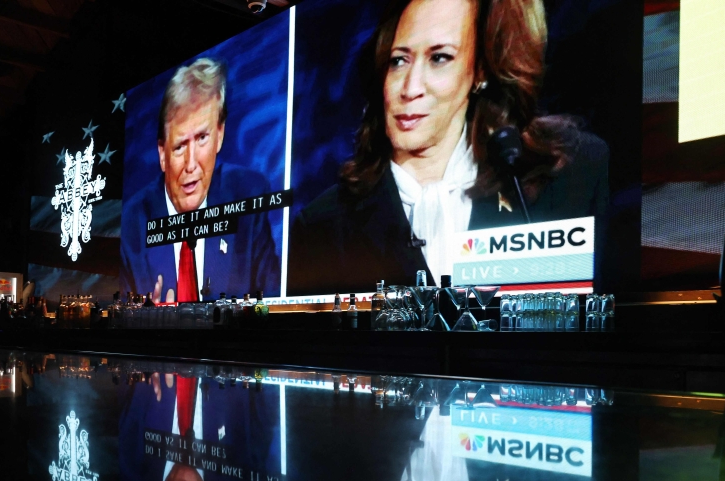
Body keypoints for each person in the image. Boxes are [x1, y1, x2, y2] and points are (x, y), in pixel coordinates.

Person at [289, 0, 609, 295]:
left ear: (480, 71)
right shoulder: (321, 227)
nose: (411, 88)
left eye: (439, 58)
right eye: (399, 61)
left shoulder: (572, 175)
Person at [121, 58, 281, 302]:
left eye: (202, 138)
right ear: (162, 154)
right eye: (180, 146)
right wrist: (144, 319)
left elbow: (269, 303)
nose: (191, 164)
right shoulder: (133, 224)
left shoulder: (249, 198)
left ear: (219, 135)